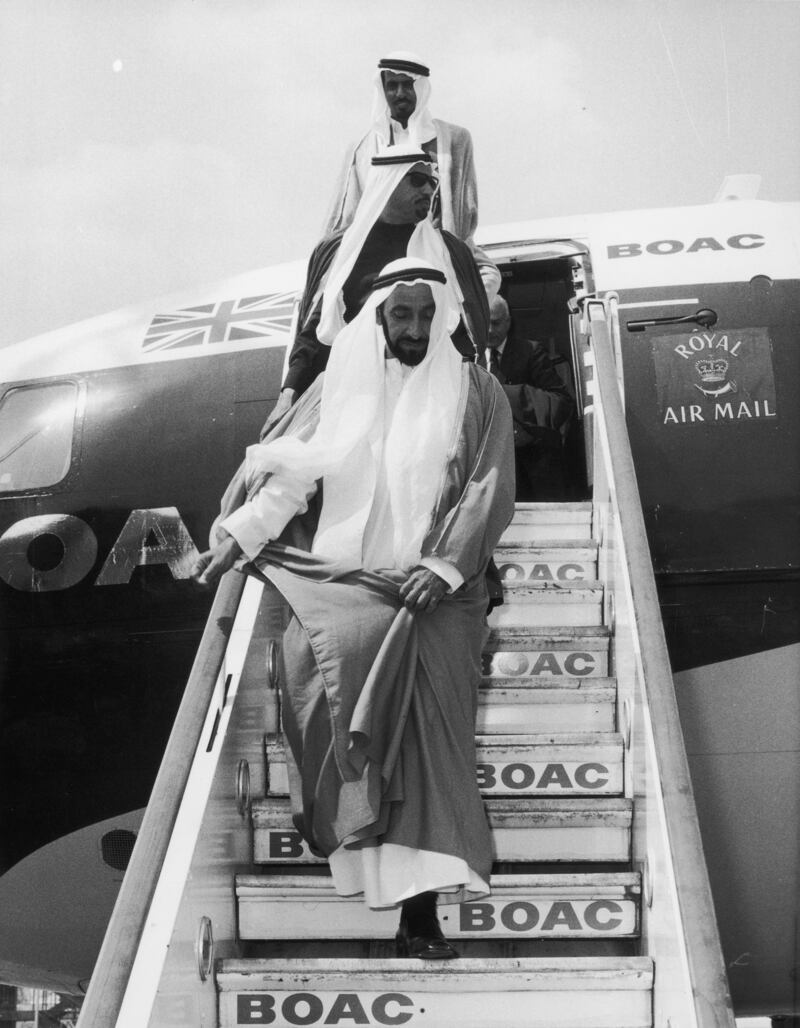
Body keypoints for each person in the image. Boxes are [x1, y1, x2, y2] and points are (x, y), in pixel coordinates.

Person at [192, 259, 515, 960]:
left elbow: (490, 486)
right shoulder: (333, 392)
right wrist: (238, 535)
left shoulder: (476, 391)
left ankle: (420, 915)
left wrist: (444, 565)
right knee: (337, 729)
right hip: (345, 585)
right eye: (402, 316)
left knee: (428, 754)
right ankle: (374, 880)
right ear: (376, 318)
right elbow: (287, 483)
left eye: (427, 316)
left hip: (433, 601)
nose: (415, 330)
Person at [268, 144, 498, 427]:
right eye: (417, 180)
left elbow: (463, 334)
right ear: (387, 181)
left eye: (432, 183)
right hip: (356, 399)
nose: (429, 190)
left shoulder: (449, 251)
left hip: (429, 403)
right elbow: (315, 331)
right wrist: (288, 394)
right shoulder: (340, 250)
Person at [323, 51, 484, 252]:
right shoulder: (361, 149)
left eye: (407, 85)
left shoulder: (454, 140)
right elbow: (346, 217)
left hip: (440, 253)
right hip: (379, 254)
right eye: (392, 86)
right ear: (382, 90)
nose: (400, 93)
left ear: (421, 87)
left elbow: (466, 212)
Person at [484, 294, 575, 501]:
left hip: (534, 468)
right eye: (485, 323)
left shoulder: (531, 351)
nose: (489, 330)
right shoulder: (469, 359)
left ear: (508, 322)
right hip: (491, 476)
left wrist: (507, 394)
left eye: (496, 323)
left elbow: (562, 402)